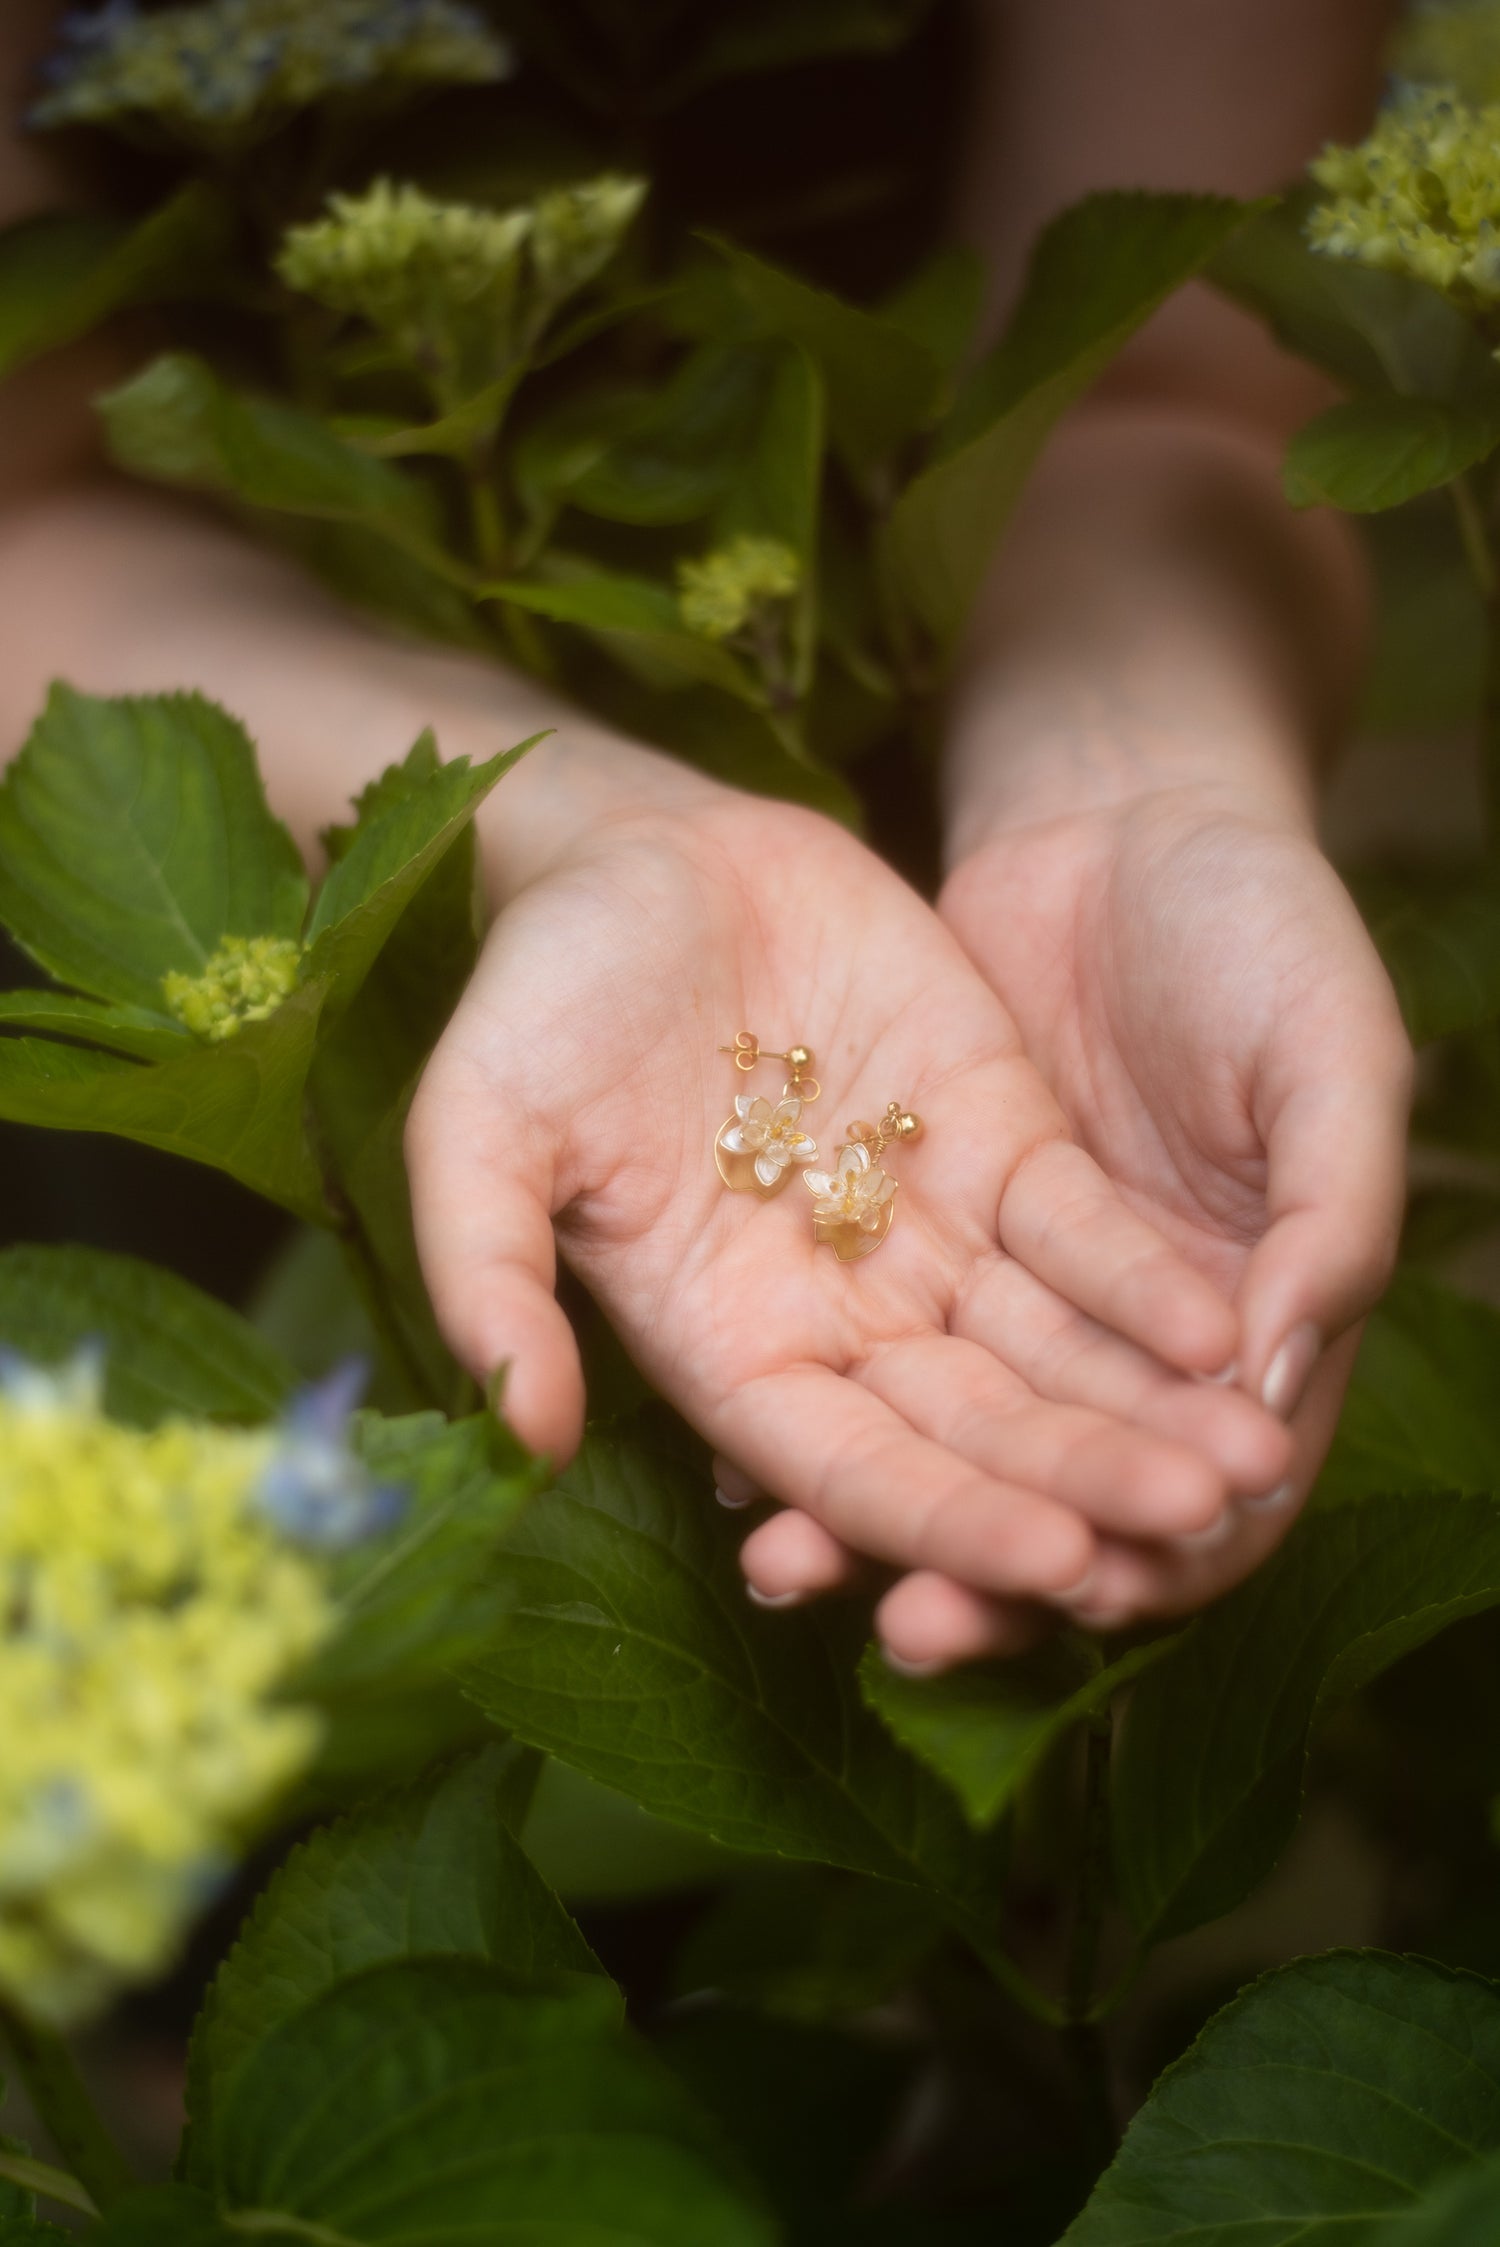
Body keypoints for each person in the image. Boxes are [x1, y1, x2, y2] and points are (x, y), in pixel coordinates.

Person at [0, 0, 1410, 1672]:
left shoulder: (854, 1138)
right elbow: (26, 485)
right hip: (286, 857)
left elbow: (1174, 378)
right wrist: (565, 825)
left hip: (967, 923)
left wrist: (1146, 784)